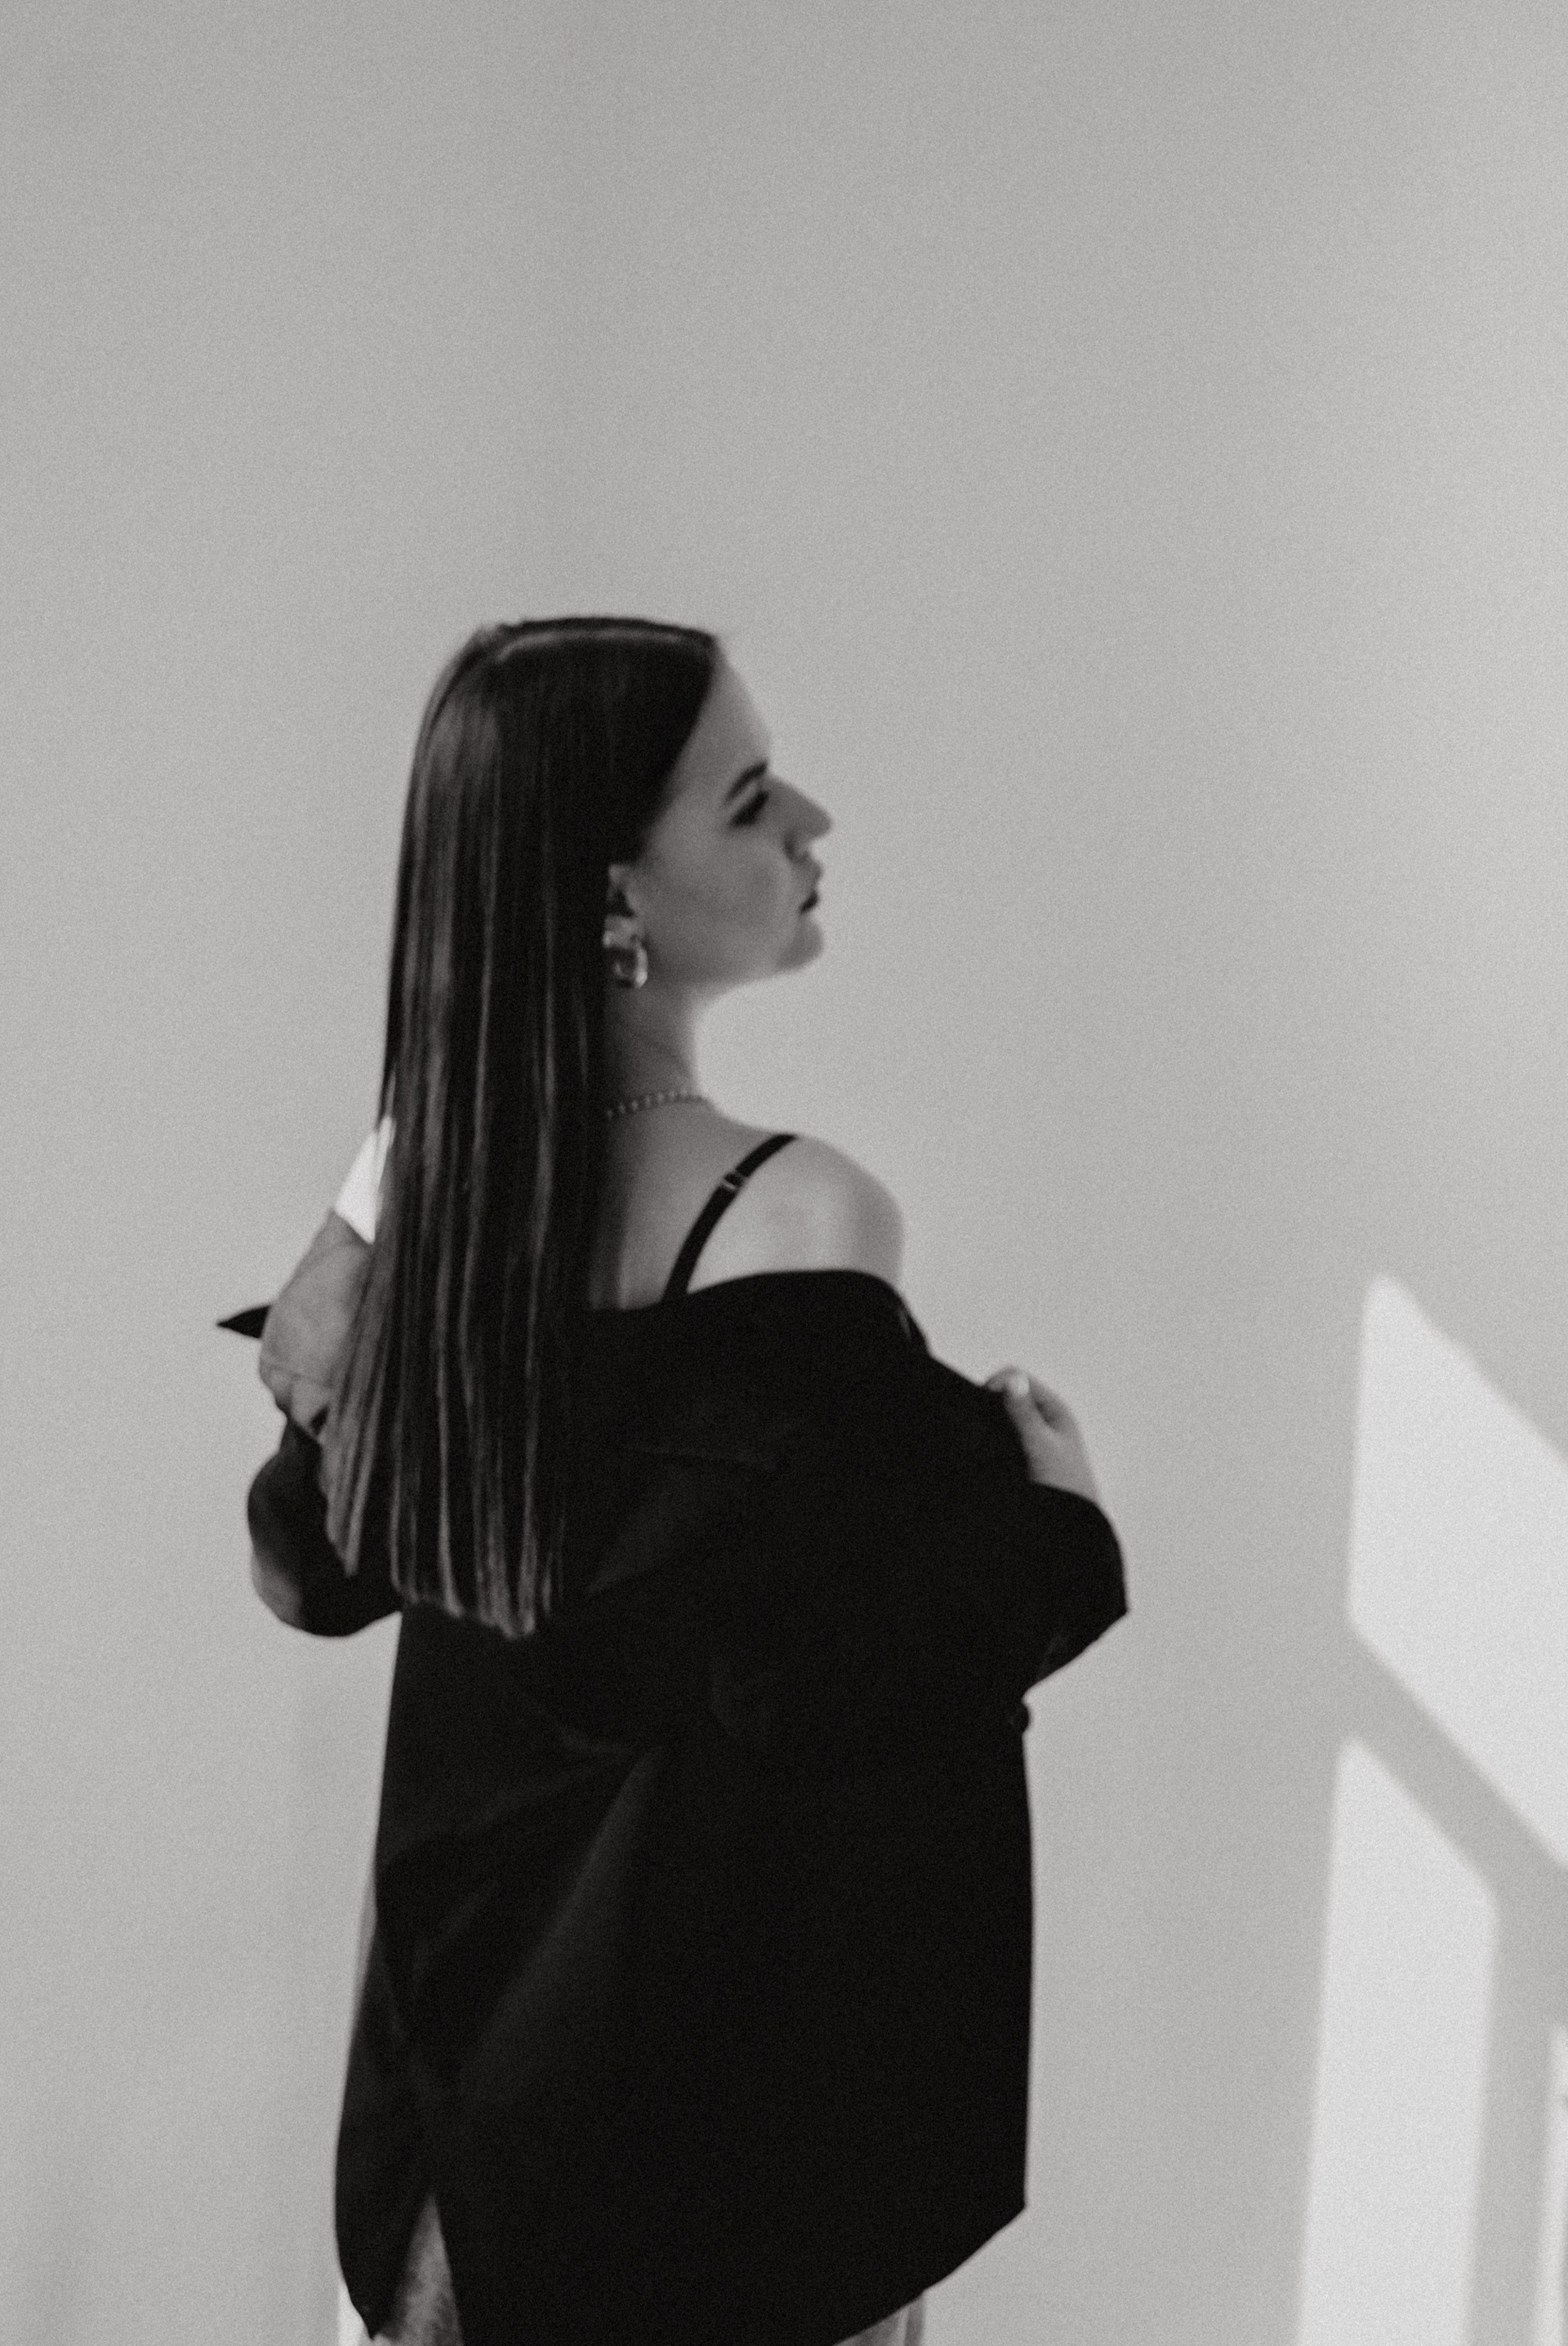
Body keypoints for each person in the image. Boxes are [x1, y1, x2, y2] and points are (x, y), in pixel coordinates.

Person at [231, 617, 1127, 2346]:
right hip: (714, 2152)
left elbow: (308, 1565)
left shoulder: (441, 1230)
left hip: (443, 2158)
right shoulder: (800, 1215)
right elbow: (835, 1681)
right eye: (748, 796)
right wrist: (1059, 1520)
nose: (812, 821)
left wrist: (367, 1204)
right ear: (613, 898)